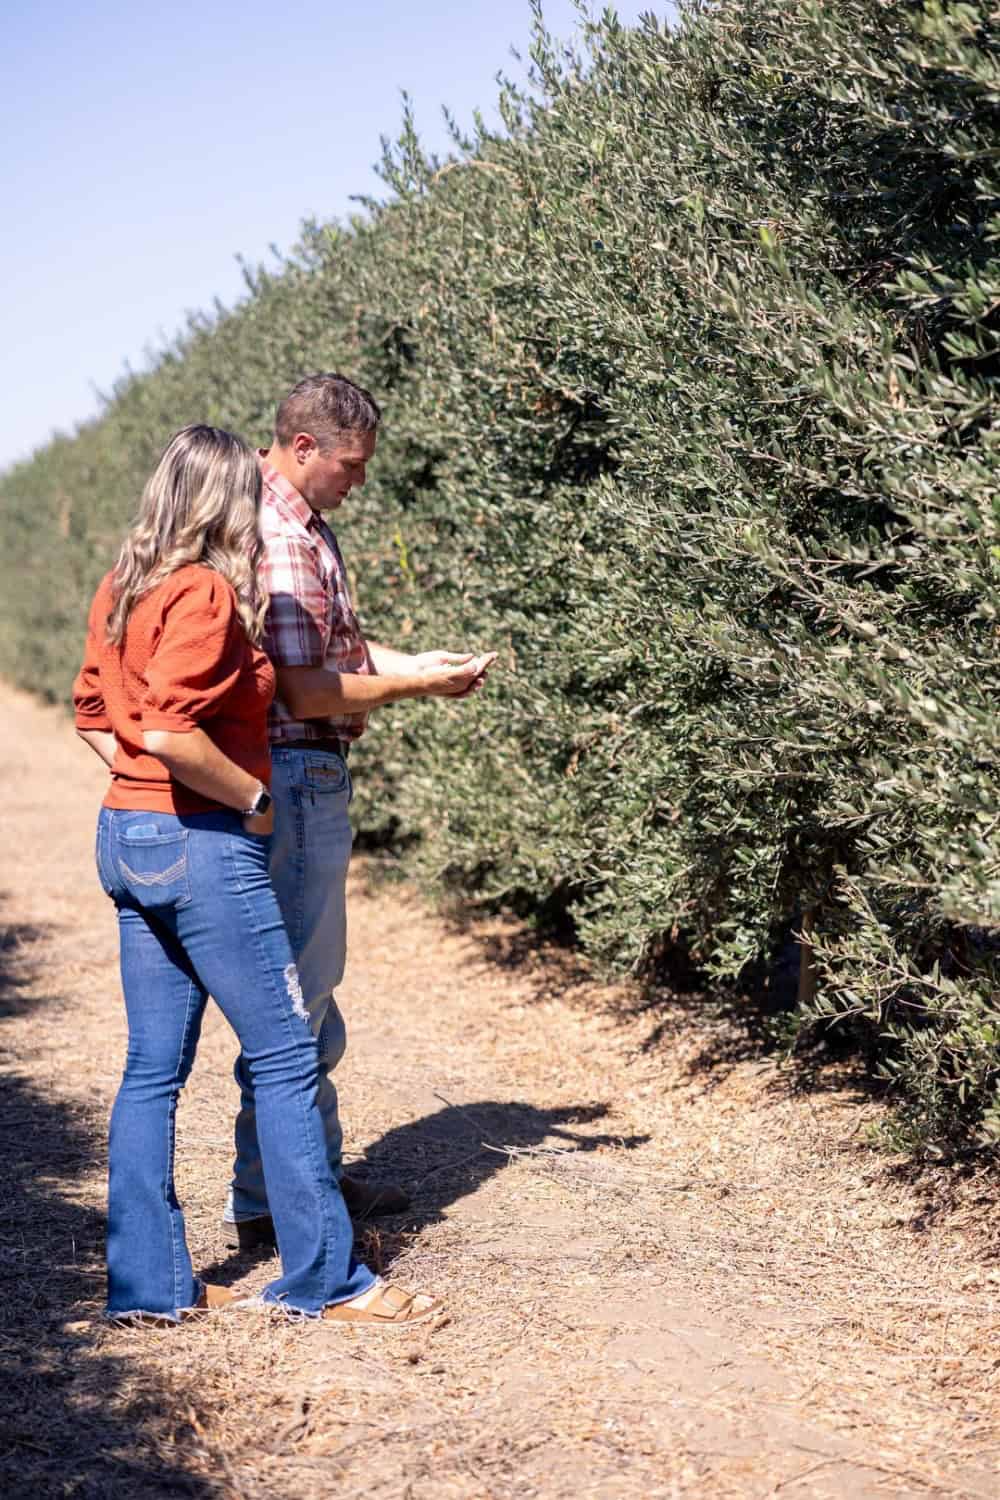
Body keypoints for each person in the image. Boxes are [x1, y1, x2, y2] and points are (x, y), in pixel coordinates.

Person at [73, 423, 440, 1326]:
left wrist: (138, 789)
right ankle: (326, 1279)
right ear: (220, 501)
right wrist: (250, 800)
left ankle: (150, 1289)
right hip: (202, 837)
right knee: (282, 1054)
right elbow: (167, 729)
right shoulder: (201, 592)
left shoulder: (123, 586)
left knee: (151, 1069)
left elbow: (94, 714)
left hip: (126, 834)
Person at [224, 373, 496, 1249]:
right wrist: (416, 683)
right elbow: (304, 688)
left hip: (307, 775)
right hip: (299, 775)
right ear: (304, 447)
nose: (359, 480)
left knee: (307, 991)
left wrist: (414, 659)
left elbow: (332, 650)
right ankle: (285, 1203)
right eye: (352, 464)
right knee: (298, 995)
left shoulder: (301, 524)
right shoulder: (279, 532)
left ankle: (297, 1181)